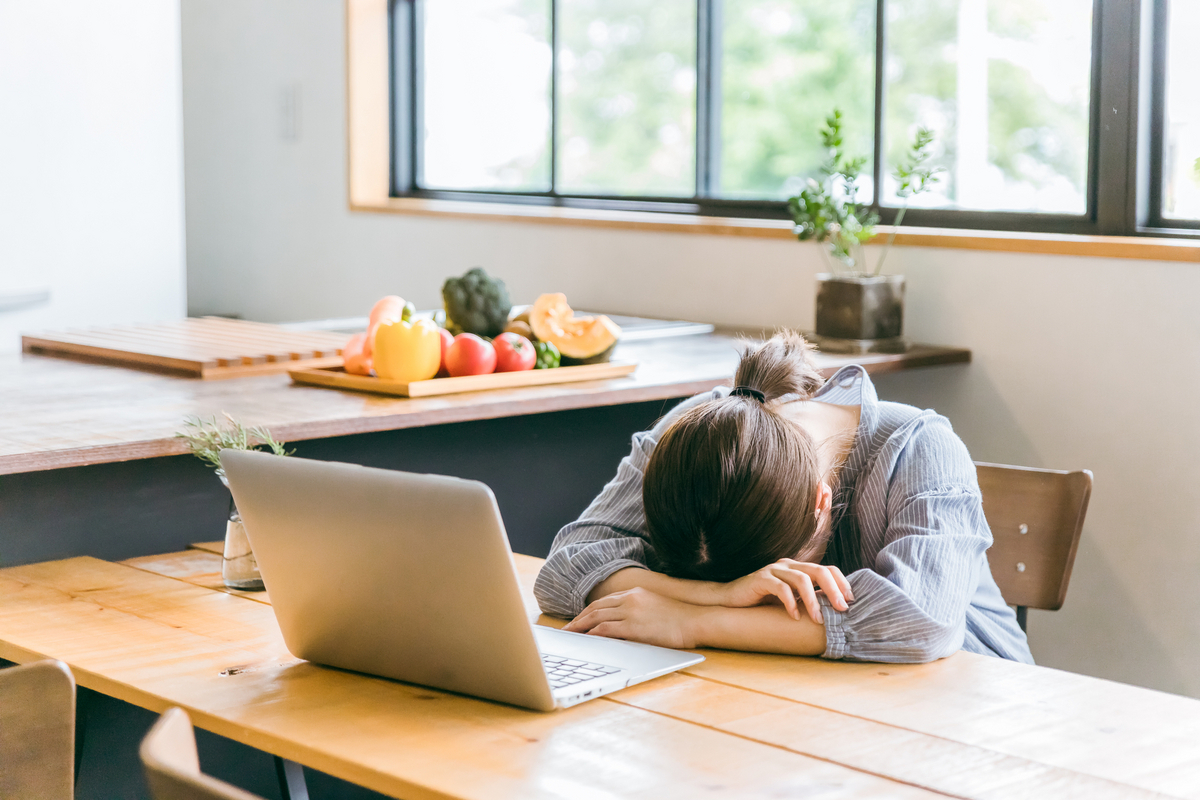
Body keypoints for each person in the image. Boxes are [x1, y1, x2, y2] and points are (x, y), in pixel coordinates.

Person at [533, 331, 1032, 664]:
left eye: (776, 575)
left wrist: (692, 620)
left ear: (822, 501)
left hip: (969, 705)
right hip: (801, 695)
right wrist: (722, 593)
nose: (759, 593)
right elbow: (566, 566)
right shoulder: (703, 432)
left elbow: (921, 624)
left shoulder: (921, 448)